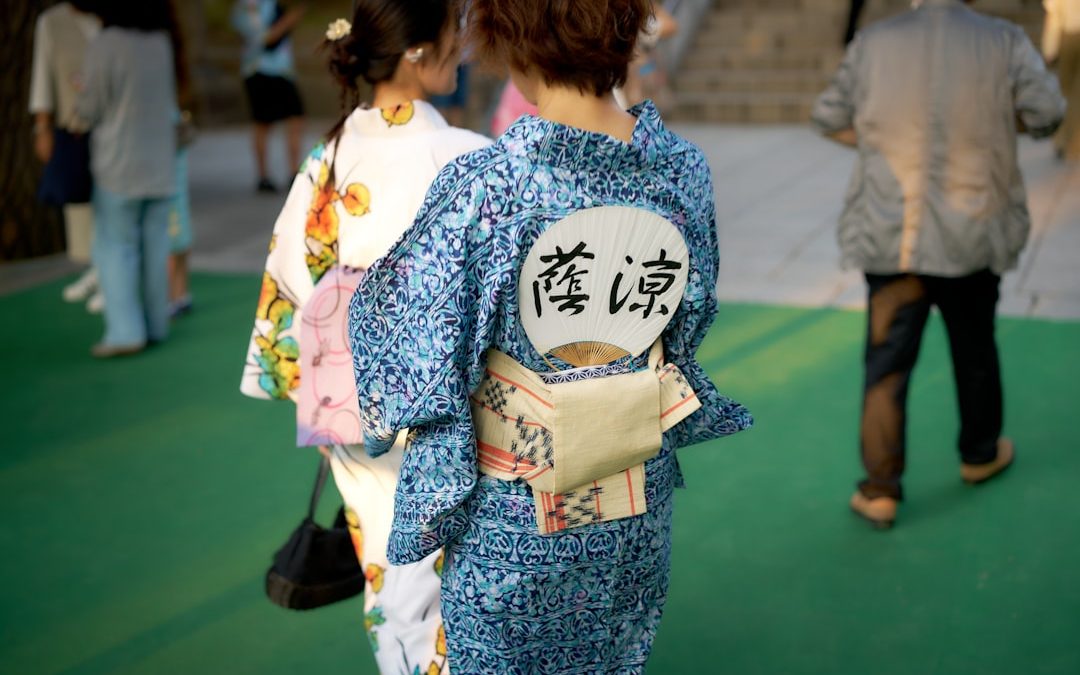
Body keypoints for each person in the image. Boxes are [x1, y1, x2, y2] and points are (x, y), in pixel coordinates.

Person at [348, 0, 752, 671]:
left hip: (516, 513)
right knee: (614, 655)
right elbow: (691, 315)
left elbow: (407, 339)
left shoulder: (489, 187)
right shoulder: (680, 170)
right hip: (633, 491)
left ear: (517, 46)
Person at [239, 1, 489, 672]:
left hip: (348, 392)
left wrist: (301, 371)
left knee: (385, 566)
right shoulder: (468, 157)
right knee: (458, 574)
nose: (463, 46)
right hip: (453, 400)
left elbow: (291, 276)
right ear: (417, 50)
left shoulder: (329, 156)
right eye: (454, 32)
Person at [811, 0, 1065, 529]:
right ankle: (980, 454)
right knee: (975, 348)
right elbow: (1048, 113)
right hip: (973, 225)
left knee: (886, 362)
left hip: (892, 228)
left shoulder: (874, 42)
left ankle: (880, 489)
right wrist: (1000, 124)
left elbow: (828, 117)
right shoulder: (1003, 39)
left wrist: (876, 142)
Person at [75, 0, 179, 358]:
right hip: (160, 163)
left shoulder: (106, 44)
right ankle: (155, 324)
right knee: (155, 247)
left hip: (118, 163)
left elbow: (89, 107)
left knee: (116, 248)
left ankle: (125, 332)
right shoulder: (160, 43)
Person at [28, 0, 104, 314]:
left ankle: (110, 274)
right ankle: (98, 268)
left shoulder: (114, 16)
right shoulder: (52, 22)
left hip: (112, 128)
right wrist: (42, 126)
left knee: (113, 203)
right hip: (73, 129)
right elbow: (43, 77)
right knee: (81, 201)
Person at [232, 0, 306, 193]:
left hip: (283, 70)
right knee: (263, 123)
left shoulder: (272, 4)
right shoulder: (248, 5)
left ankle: (293, 172)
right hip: (260, 70)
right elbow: (263, 38)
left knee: (295, 119)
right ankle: (263, 176)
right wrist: (290, 19)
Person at [1044, 0, 1080, 160]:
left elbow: (1054, 17)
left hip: (1068, 35)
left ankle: (1064, 140)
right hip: (1069, 34)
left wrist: (1049, 49)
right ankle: (1071, 141)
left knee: (1065, 92)